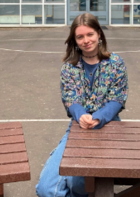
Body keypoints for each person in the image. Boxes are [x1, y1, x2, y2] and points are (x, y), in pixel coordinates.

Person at [36, 13, 128, 197]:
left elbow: (117, 99)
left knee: (78, 183)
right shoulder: (69, 67)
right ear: (74, 40)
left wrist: (99, 117)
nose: (86, 40)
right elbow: (70, 99)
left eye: (90, 34)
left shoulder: (116, 63)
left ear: (99, 34)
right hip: (80, 126)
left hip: (109, 125)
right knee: (45, 190)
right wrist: (81, 115)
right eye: (80, 36)